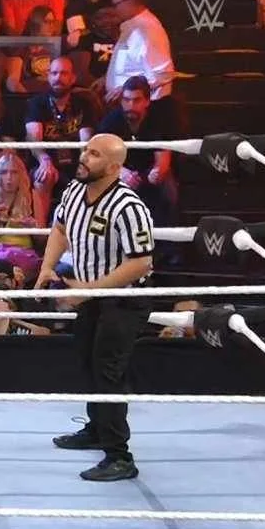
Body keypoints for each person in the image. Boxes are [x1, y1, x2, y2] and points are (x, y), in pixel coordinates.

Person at [36, 133, 154, 482]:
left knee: (108, 370)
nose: (84, 157)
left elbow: (141, 263)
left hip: (124, 299)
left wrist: (88, 290)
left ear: (114, 167)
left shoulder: (128, 206)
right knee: (87, 363)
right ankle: (97, 429)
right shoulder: (74, 191)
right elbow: (60, 229)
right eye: (86, 150)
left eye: (95, 154)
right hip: (90, 295)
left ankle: (120, 456)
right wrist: (47, 266)